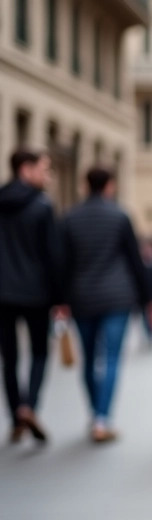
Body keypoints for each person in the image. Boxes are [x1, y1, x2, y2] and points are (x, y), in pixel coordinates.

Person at [62, 167, 151, 442]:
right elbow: (135, 259)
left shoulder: (69, 218)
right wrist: (147, 296)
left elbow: (62, 263)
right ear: (110, 186)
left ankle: (94, 412)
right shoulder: (120, 216)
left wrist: (61, 298)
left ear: (84, 185)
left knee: (90, 359)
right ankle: (103, 417)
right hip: (116, 296)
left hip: (82, 296)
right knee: (111, 357)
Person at [0, 149, 62, 444]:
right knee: (39, 352)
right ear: (26, 169)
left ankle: (15, 414)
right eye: (44, 169)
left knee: (9, 357)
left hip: (3, 294)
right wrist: (61, 297)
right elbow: (53, 255)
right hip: (36, 292)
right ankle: (29, 406)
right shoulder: (42, 205)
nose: (47, 176)